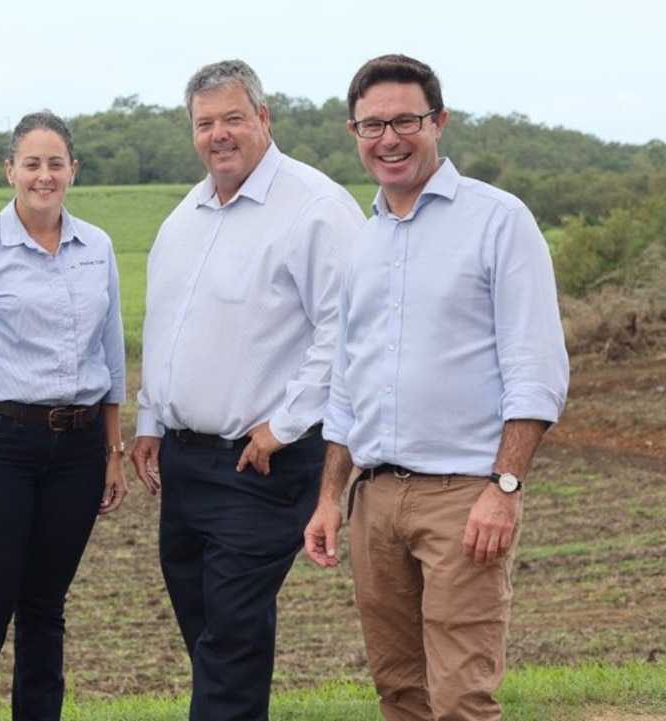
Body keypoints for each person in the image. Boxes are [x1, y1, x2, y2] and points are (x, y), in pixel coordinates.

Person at [303, 54, 569, 721]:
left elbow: (535, 369)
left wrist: (504, 489)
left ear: (438, 121)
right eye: (371, 125)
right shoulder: (361, 246)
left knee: (460, 700)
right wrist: (330, 497)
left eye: (404, 121)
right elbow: (346, 385)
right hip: (376, 500)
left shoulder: (499, 221)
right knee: (400, 694)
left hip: (464, 499)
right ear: (353, 133)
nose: (388, 138)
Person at [130, 60, 365, 721]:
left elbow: (342, 334)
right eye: (205, 123)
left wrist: (284, 425)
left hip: (259, 463)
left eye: (233, 118)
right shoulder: (188, 214)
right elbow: (167, 326)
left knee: (228, 640)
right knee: (212, 638)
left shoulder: (315, 209)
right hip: (184, 463)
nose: (219, 134)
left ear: (263, 118)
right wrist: (150, 417)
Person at [0, 110, 127, 721]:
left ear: (73, 170)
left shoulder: (96, 246)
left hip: (76, 451)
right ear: (10, 171)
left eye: (55, 164)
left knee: (46, 607)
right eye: (31, 164)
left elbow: (112, 355)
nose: (43, 176)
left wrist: (113, 452)